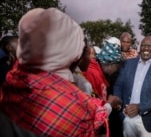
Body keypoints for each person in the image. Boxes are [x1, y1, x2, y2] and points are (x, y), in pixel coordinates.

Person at [0, 8, 121, 137]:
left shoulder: (15, 77)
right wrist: (109, 105)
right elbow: (88, 121)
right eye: (83, 51)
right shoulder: (73, 107)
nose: (88, 58)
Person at [113, 35, 151, 137]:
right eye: (143, 45)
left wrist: (139, 107)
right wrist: (119, 102)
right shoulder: (127, 64)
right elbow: (118, 85)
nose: (146, 48)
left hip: (148, 120)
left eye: (150, 46)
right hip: (127, 117)